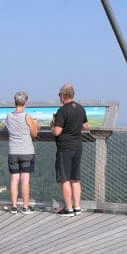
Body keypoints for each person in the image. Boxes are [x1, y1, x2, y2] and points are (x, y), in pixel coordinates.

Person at [51, 83, 89, 217]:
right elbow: (86, 126)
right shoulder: (80, 108)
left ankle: (68, 208)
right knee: (75, 179)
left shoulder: (62, 111)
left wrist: (53, 125)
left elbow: (57, 131)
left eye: (59, 95)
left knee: (65, 179)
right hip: (77, 146)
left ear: (63, 95)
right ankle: (77, 207)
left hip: (65, 147)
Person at [6, 91, 38, 214]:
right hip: (26, 151)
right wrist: (35, 124)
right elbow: (34, 134)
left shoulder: (9, 116)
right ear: (26, 102)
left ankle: (14, 206)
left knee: (14, 179)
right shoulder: (27, 116)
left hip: (13, 151)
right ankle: (25, 207)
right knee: (25, 179)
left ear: (15, 102)